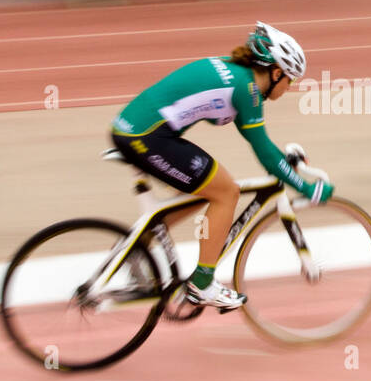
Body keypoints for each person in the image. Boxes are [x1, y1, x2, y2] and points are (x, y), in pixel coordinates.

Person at [110, 23, 334, 310]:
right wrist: (307, 188)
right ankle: (202, 284)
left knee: (205, 191)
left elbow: (261, 143)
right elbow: (264, 153)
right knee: (226, 192)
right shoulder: (248, 89)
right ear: (276, 72)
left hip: (136, 130)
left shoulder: (238, 75)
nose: (289, 88)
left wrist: (284, 161)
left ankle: (138, 251)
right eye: (290, 80)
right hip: (146, 137)